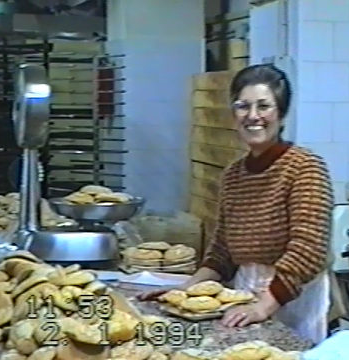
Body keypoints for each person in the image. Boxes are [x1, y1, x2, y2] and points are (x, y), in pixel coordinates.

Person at [138, 64, 334, 344]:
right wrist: (183, 292)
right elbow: (222, 252)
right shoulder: (233, 175)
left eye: (264, 106)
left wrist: (263, 306)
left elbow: (308, 251)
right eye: (243, 106)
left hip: (292, 297)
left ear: (282, 114)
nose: (253, 116)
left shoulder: (305, 168)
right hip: (245, 290)